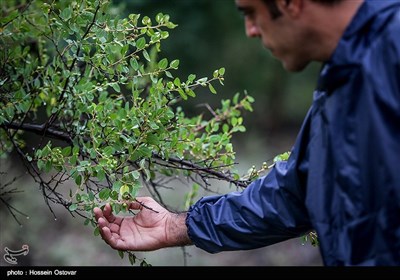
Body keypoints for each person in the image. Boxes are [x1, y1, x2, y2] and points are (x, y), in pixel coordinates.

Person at [94, 0, 400, 266]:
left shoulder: (390, 52)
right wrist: (173, 226)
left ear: (289, 3)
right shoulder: (343, 77)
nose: (250, 30)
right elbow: (293, 194)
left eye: (251, 13)